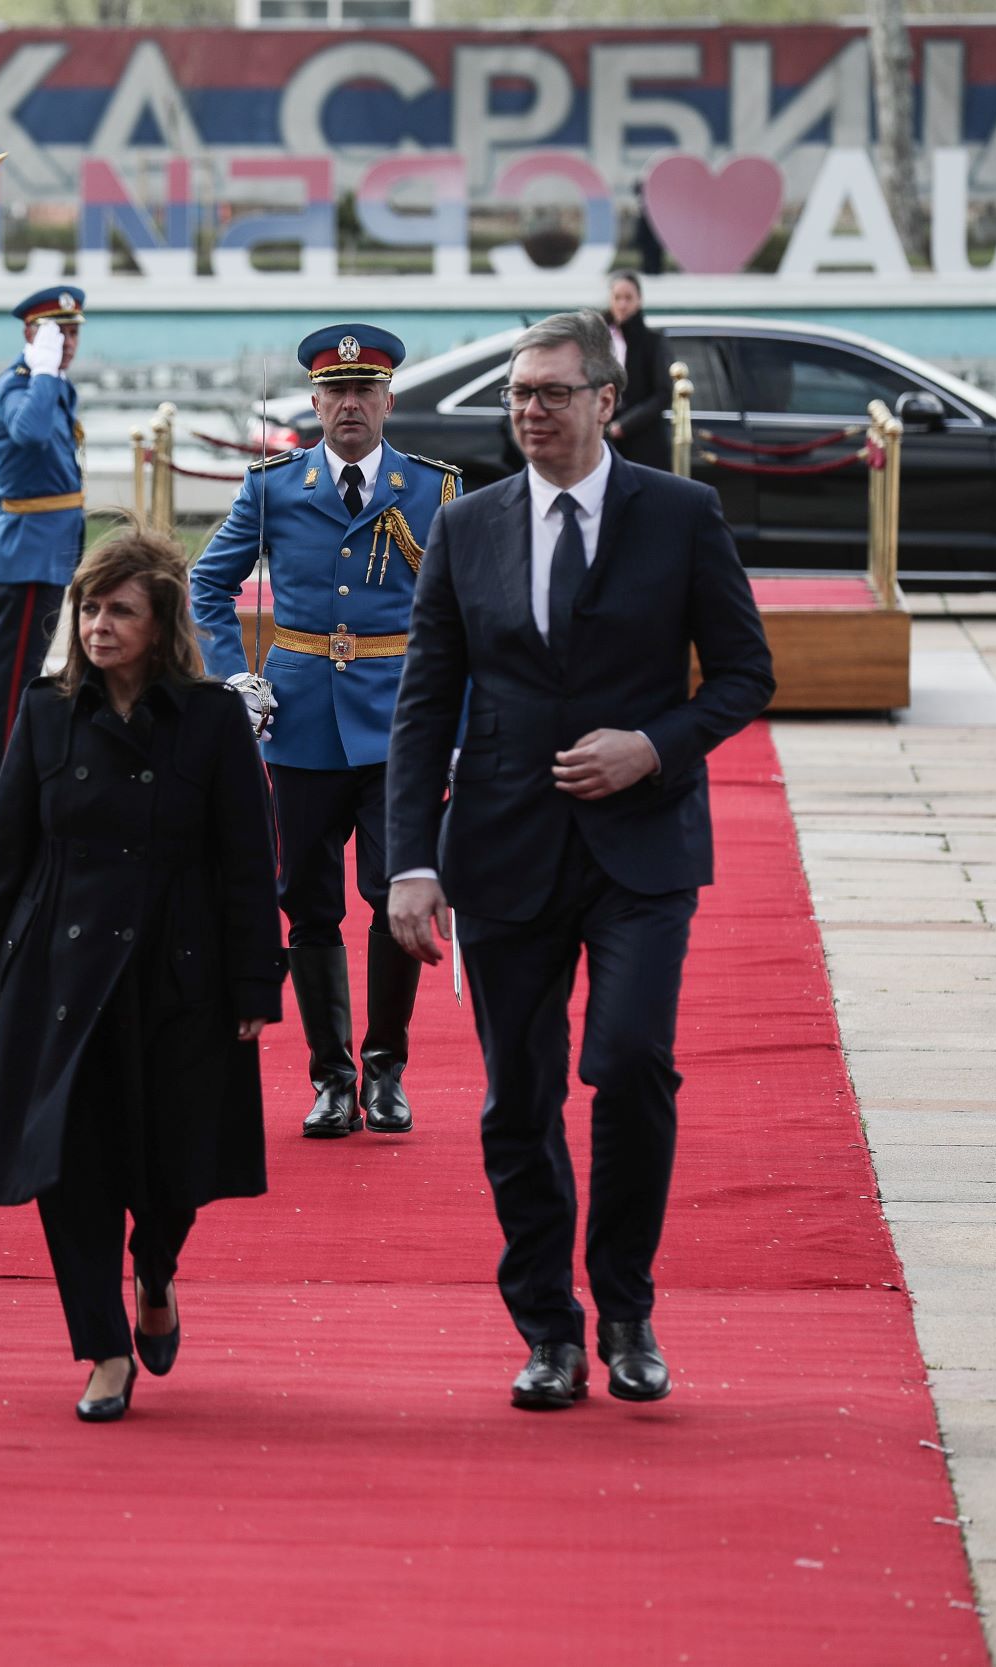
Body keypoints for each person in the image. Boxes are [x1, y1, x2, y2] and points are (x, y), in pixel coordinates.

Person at [384, 309, 773, 1412]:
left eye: (553, 392)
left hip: (643, 847)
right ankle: (548, 1328)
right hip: (501, 846)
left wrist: (654, 743)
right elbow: (422, 706)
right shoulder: (468, 528)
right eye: (518, 395)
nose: (530, 412)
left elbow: (745, 675)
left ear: (607, 399)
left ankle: (629, 1307)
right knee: (519, 1096)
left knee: (632, 1063)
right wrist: (411, 859)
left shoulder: (682, 514)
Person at [0, 522, 282, 1424]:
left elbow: (248, 859)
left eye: (120, 610)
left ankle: (159, 1267)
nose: (99, 625)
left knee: (173, 1165)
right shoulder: (46, 708)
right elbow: (6, 845)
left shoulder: (210, 718)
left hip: (179, 969)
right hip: (61, 971)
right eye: (89, 607)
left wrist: (258, 983)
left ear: (161, 620)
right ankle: (101, 1347)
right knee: (72, 1167)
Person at [190, 324, 459, 1140]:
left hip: (399, 728)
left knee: (393, 902)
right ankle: (331, 1078)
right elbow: (208, 582)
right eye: (336, 392)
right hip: (300, 723)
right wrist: (234, 676)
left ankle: (386, 1071)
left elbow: (465, 617)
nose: (350, 404)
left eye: (365, 390)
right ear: (313, 402)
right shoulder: (274, 485)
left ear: (388, 399)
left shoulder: (434, 490)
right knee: (306, 906)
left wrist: (459, 726)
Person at [0, 286, 85, 822]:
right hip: (27, 557)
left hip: (46, 550)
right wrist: (41, 371)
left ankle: (14, 802)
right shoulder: (22, 387)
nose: (67, 342)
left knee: (28, 682)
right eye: (56, 331)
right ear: (30, 335)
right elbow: (30, 434)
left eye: (73, 331)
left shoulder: (55, 387)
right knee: (11, 692)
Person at [604, 271, 671, 471]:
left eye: (628, 298)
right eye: (617, 298)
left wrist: (623, 426)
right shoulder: (600, 338)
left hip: (643, 440)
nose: (622, 305)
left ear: (639, 300)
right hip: (603, 438)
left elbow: (663, 393)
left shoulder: (653, 341)